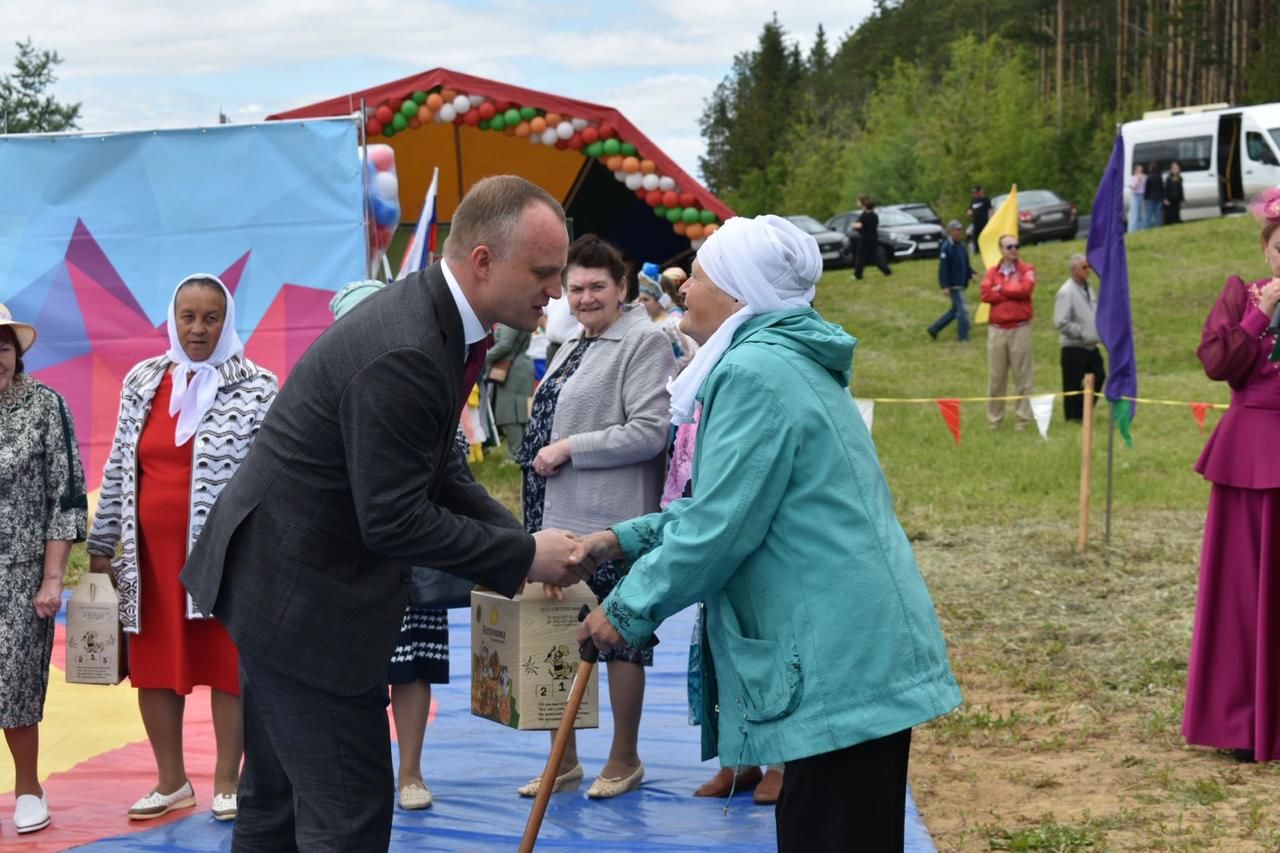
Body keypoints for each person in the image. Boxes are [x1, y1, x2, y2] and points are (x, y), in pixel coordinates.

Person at [179, 175, 590, 852]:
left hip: (280, 586)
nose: (556, 289)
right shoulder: (407, 346)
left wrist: (517, 539)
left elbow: (439, 469)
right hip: (302, 609)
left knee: (276, 805)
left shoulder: (435, 322)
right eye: (544, 272)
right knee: (347, 817)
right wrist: (521, 558)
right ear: (483, 261)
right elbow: (394, 519)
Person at [573, 215, 961, 850]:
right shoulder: (779, 360)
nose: (683, 290)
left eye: (695, 276)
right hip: (849, 646)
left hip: (840, 654)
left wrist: (627, 607)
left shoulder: (754, 371)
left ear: (736, 291)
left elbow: (721, 527)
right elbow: (728, 504)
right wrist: (618, 539)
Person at [87, 275, 277, 822]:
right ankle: (171, 781)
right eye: (188, 317)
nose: (198, 329)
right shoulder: (143, 380)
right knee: (154, 667)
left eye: (210, 317)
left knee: (226, 666)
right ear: (173, 320)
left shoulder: (257, 386)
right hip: (150, 560)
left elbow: (272, 477)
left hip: (225, 560)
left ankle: (226, 782)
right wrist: (103, 543)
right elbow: (121, 466)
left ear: (227, 320)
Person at [514, 235, 675, 800]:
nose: (585, 298)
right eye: (575, 288)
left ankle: (624, 758)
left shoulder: (644, 341)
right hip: (558, 518)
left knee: (620, 639)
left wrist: (569, 448)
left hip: (614, 521)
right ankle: (564, 760)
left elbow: (649, 431)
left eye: (596, 287)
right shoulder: (570, 343)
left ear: (622, 287)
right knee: (558, 640)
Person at [328, 280, 458, 812]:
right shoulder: (323, 389)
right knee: (348, 672)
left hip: (410, 554)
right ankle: (355, 775)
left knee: (411, 667)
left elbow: (455, 469)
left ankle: (410, 773)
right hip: (342, 560)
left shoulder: (426, 380)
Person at [1183, 188, 1280, 764]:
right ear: (1267, 249)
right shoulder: (1239, 296)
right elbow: (1220, 366)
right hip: (1248, 457)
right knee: (1244, 591)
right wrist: (1261, 311)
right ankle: (1244, 720)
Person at [0, 305, 87, 835]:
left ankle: (28, 787)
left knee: (14, 686)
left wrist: (53, 578)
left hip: (21, 570)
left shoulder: (44, 406)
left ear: (17, 352)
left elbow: (67, 498)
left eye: (3, 348)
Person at [980, 235, 1037, 430]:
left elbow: (1025, 289)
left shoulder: (1027, 270)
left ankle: (1023, 418)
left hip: (1020, 328)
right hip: (997, 330)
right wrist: (1011, 289)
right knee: (996, 377)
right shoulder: (991, 272)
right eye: (1009, 246)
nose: (1014, 249)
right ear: (1001, 250)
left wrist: (1001, 289)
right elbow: (985, 294)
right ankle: (994, 419)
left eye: (1016, 246)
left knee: (1023, 377)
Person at [1053, 255, 1107, 422]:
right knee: (1072, 385)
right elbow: (1060, 321)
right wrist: (1081, 332)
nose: (1088, 271)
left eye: (1088, 267)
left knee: (1099, 375)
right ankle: (1073, 417)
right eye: (1084, 268)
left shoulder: (1088, 287)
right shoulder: (1066, 292)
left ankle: (1085, 410)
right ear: (1074, 270)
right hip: (1073, 347)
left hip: (1091, 345)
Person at [636, 261, 697, 372]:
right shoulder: (643, 324)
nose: (641, 303)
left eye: (646, 299)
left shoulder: (673, 325)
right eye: (640, 299)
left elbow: (690, 357)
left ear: (659, 300)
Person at [486, 323, 535, 454]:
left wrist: (483, 358)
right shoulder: (519, 316)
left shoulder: (511, 320)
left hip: (512, 368)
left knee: (511, 412)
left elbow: (505, 345)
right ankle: (521, 451)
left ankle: (516, 453)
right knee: (519, 411)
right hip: (517, 365)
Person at [927, 220, 975, 342]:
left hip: (961, 282)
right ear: (950, 231)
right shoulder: (947, 247)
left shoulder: (961, 245)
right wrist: (945, 286)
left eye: (960, 229)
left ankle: (934, 328)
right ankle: (963, 337)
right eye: (957, 230)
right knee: (962, 310)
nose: (959, 232)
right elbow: (943, 269)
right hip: (954, 285)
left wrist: (971, 273)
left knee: (955, 310)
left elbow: (965, 262)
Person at [851, 194, 892, 279]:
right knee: (876, 257)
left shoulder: (864, 216)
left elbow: (859, 226)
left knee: (860, 257)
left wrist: (853, 225)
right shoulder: (875, 215)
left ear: (865, 205)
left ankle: (857, 275)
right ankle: (887, 271)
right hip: (873, 238)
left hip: (864, 239)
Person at [968, 185, 992, 254]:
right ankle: (977, 250)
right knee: (976, 237)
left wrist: (990, 218)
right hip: (975, 223)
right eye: (974, 193)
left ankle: (987, 249)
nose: (975, 194)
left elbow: (990, 209)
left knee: (985, 236)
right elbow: (970, 209)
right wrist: (969, 213)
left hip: (984, 222)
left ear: (980, 192)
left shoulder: (986, 199)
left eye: (976, 192)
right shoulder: (973, 200)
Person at [1143, 160, 1165, 229]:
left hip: (1151, 198)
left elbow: (1147, 189)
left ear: (1151, 168)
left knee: (1149, 214)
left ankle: (1147, 228)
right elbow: (1162, 188)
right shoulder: (1160, 177)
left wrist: (1145, 198)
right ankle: (1158, 228)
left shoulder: (1149, 177)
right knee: (1157, 214)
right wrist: (1163, 197)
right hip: (1159, 198)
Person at [1127, 164, 1147, 234]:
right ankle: (1132, 231)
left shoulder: (1144, 177)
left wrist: (1142, 179)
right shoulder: (1131, 178)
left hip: (1141, 196)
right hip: (1134, 196)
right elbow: (1133, 187)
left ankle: (1141, 230)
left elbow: (1145, 185)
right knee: (1134, 215)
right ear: (1135, 171)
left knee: (1141, 214)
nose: (1140, 172)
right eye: (1139, 170)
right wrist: (1137, 179)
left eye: (1141, 170)